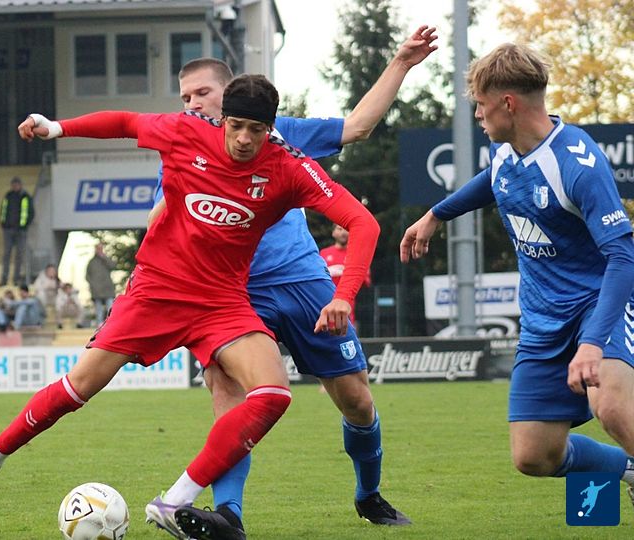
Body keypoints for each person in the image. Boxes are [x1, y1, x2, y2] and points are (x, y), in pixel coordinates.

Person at [0, 74, 379, 538]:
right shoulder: (185, 131)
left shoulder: (289, 167)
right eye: (236, 126)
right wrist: (57, 128)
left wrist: (344, 295)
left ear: (269, 128)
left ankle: (174, 502)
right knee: (78, 388)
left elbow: (363, 223)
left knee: (273, 393)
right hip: (156, 291)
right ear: (223, 119)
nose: (243, 139)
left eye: (256, 130)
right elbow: (124, 122)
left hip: (222, 301)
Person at [149, 26, 437, 538]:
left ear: (229, 93)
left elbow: (358, 127)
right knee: (227, 393)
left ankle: (368, 494)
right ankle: (228, 515)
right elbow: (160, 222)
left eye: (200, 93)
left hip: (303, 282)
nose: (191, 104)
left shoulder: (278, 134)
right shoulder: (183, 148)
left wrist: (401, 63)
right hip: (234, 294)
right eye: (184, 97)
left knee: (355, 400)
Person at [400, 42, 634, 514]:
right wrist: (436, 214)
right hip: (542, 320)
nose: (477, 116)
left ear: (508, 104)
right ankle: (627, 471)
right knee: (534, 455)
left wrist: (592, 343)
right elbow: (493, 180)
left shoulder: (576, 163)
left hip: (596, 307)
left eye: (481, 105)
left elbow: (624, 256)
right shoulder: (507, 151)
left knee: (610, 407)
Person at [320, 224, 372, 325]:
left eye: (346, 229)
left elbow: (366, 282)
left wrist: (350, 273)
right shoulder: (323, 253)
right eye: (339, 229)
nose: (343, 232)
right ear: (333, 232)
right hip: (324, 305)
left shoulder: (356, 254)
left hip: (346, 307)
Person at [0, 176, 34, 286]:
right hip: (8, 229)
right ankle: (4, 278)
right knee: (7, 254)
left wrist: (24, 226)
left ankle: (16, 278)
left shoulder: (25, 196)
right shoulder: (8, 196)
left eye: (16, 185)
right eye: (13, 185)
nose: (14, 187)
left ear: (20, 185)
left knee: (19, 254)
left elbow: (31, 213)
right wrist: (3, 224)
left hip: (21, 231)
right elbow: (3, 210)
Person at [85, 242, 116, 326]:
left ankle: (111, 323)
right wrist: (93, 284)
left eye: (101, 248)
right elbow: (87, 276)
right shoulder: (91, 262)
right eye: (98, 248)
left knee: (110, 307)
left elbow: (113, 266)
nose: (99, 250)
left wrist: (104, 257)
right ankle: (99, 324)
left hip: (107, 288)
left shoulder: (106, 259)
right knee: (98, 309)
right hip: (96, 290)